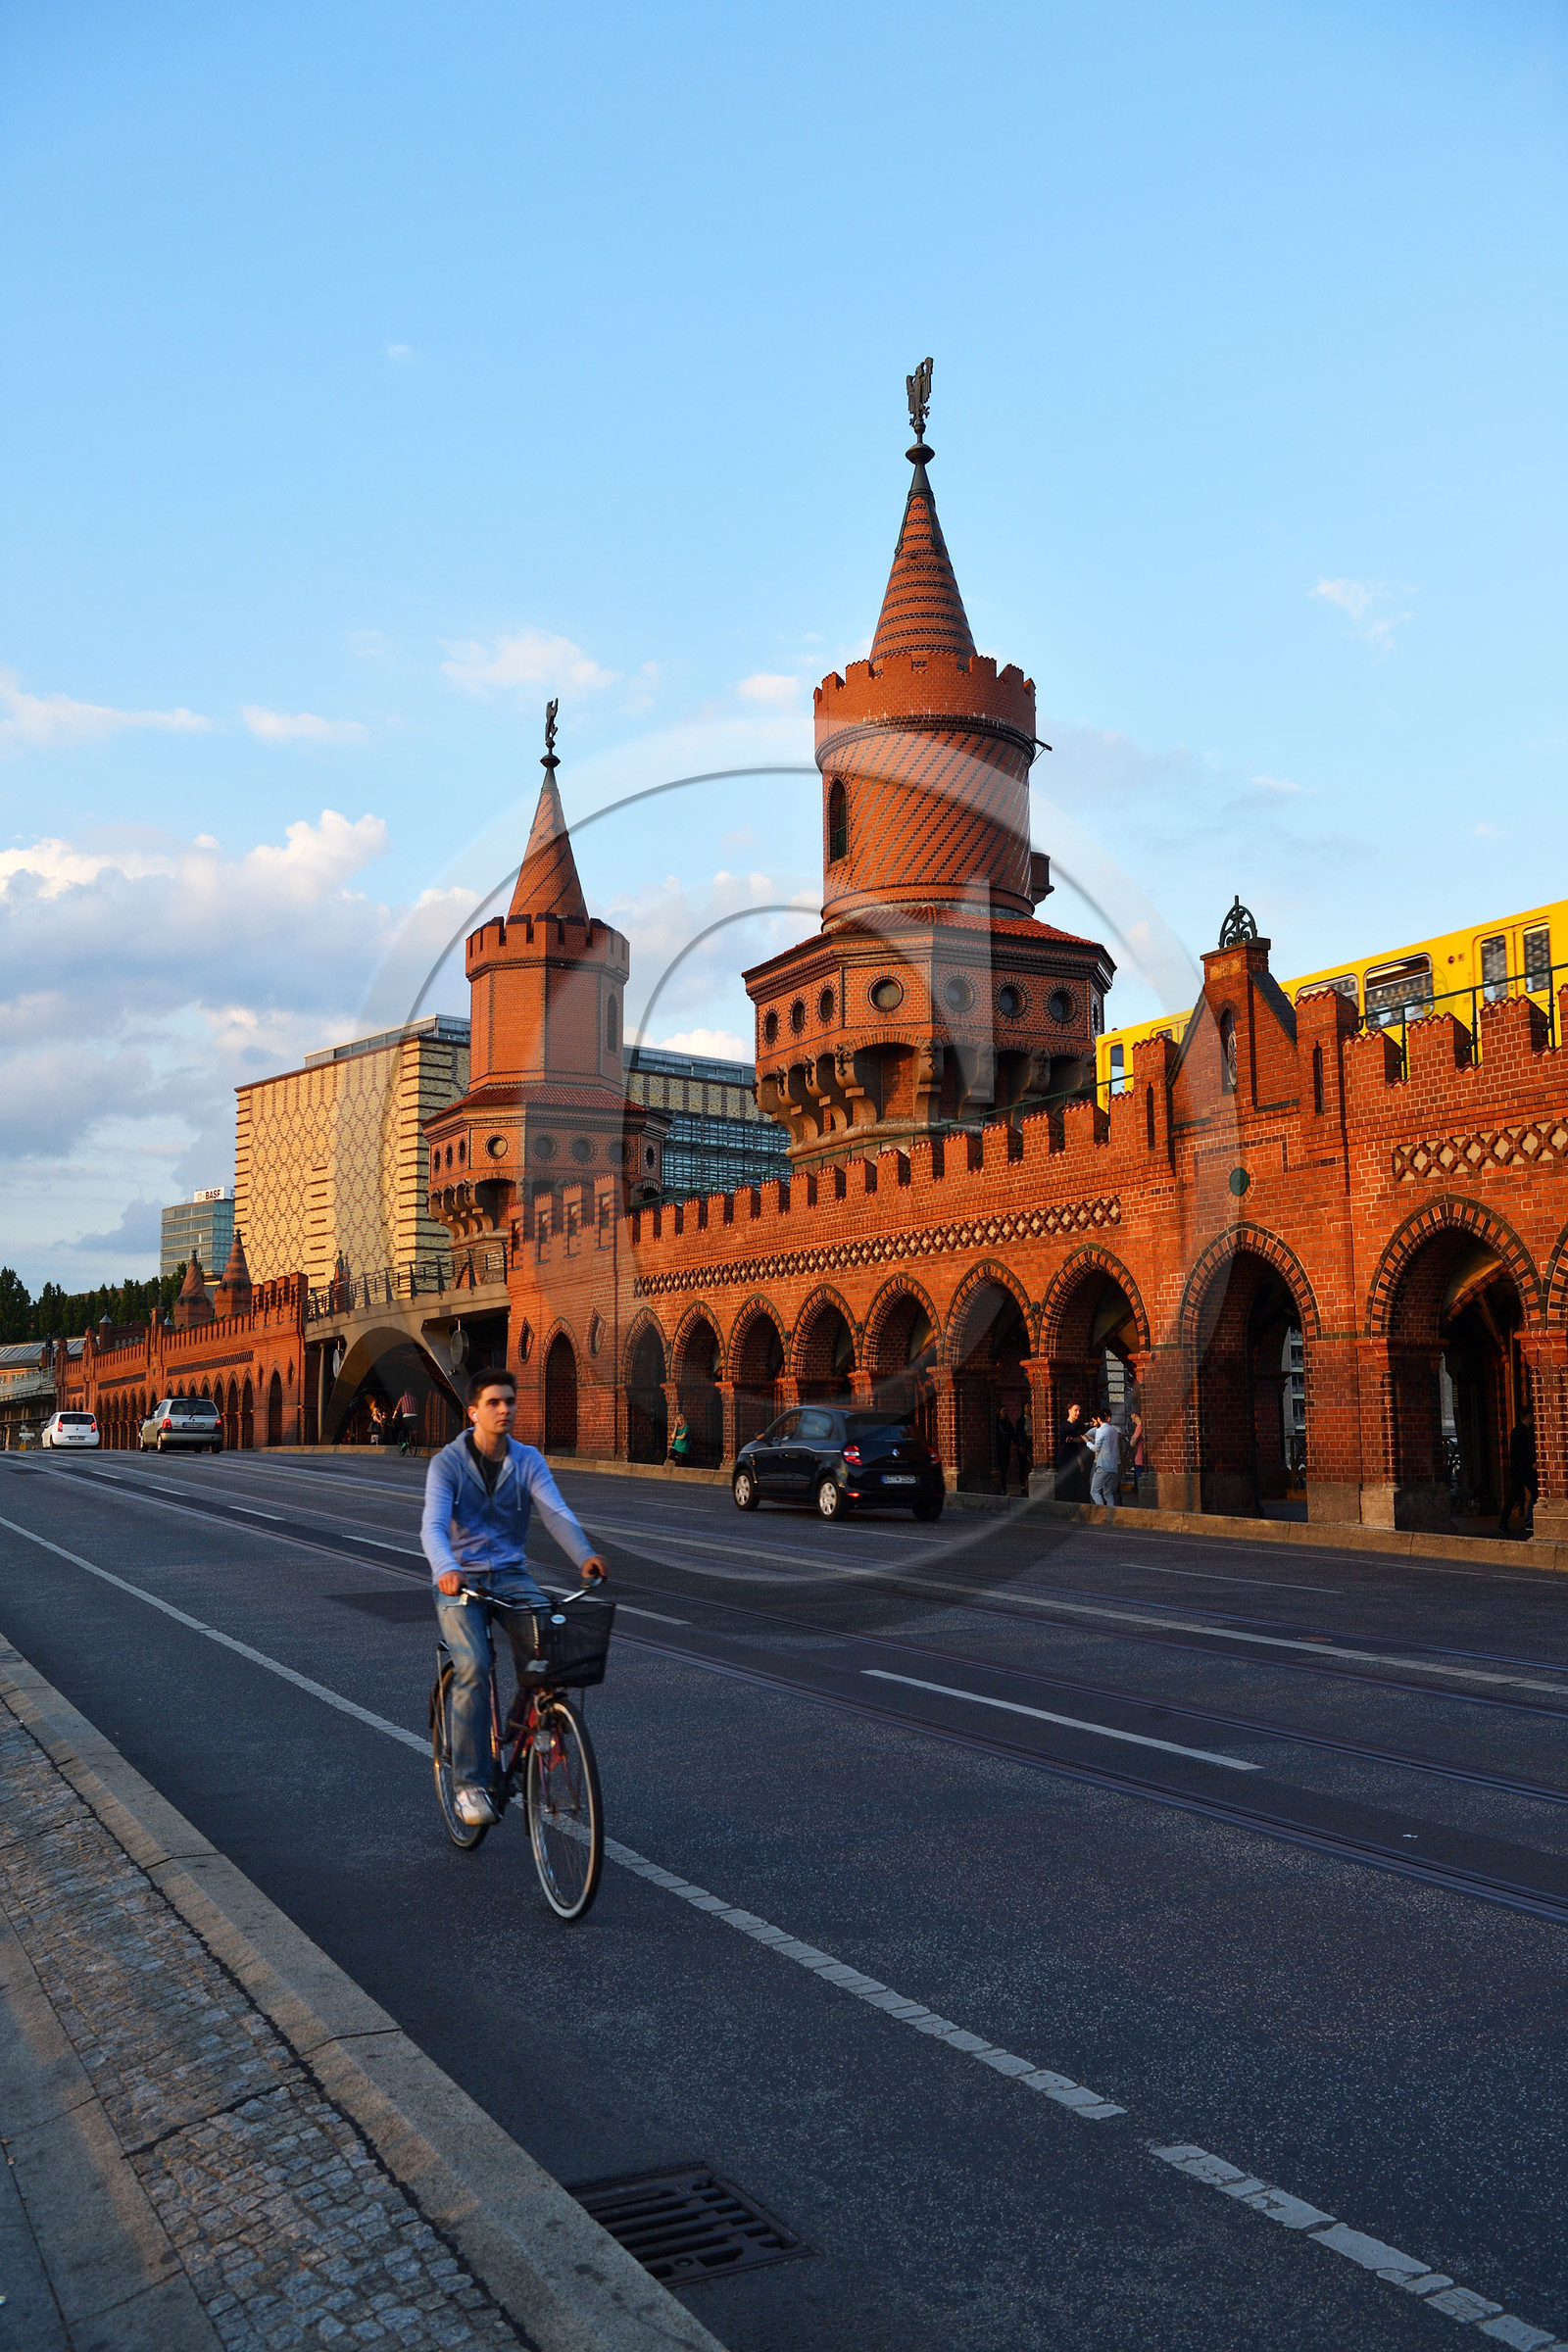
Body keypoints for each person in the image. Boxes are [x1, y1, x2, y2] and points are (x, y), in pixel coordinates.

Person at [420, 1367, 608, 1825]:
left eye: (510, 1401)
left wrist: (584, 1555)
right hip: (459, 1580)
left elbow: (555, 1512)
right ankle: (468, 1785)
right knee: (475, 1664)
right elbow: (432, 1525)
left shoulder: (527, 1460)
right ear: (473, 1411)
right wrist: (446, 1568)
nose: (505, 1409)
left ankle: (540, 1728)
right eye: (494, 1403)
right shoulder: (447, 1463)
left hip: (509, 1574)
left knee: (550, 1643)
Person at [1499, 1411, 1538, 1537]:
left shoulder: (1527, 1431)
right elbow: (1519, 1454)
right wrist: (1530, 1464)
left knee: (1536, 1493)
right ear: (1527, 1416)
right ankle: (1504, 1522)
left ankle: (1529, 1520)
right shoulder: (1518, 1432)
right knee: (1514, 1496)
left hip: (1526, 1470)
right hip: (1521, 1470)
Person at [1087, 1411, 1123, 1523]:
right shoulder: (1113, 1430)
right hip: (1113, 1465)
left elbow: (1096, 1448)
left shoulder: (1100, 1430)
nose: (1094, 1423)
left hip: (1103, 1464)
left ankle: (1103, 1513)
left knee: (1094, 1491)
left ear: (1098, 1419)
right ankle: (1111, 1515)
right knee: (1108, 1492)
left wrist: (1087, 1442)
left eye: (1094, 1421)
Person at [1056, 1401, 1090, 1501]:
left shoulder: (1077, 1426)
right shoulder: (1065, 1426)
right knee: (1066, 1482)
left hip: (1073, 1457)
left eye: (1079, 1411)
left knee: (1075, 1483)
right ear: (1069, 1411)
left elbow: (1077, 1444)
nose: (1078, 1413)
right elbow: (1072, 1429)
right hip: (1064, 1458)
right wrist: (1087, 1424)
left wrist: (1079, 1459)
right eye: (1076, 1410)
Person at [995, 1405, 1014, 1494]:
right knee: (1001, 1468)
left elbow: (1013, 1434)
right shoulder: (996, 1423)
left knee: (1005, 1467)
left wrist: (1019, 1445)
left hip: (1006, 1448)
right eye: (1003, 1411)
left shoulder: (1008, 1424)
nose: (1005, 1412)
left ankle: (1003, 1486)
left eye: (1006, 1411)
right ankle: (1003, 1487)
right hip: (999, 1448)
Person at [396, 1390, 419, 1454]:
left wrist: (393, 1416)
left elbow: (397, 1408)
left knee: (403, 1429)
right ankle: (413, 1436)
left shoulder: (402, 1398)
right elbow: (417, 1407)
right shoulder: (414, 1398)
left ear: (405, 1393)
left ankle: (404, 1443)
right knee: (412, 1428)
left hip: (406, 1416)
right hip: (415, 1416)